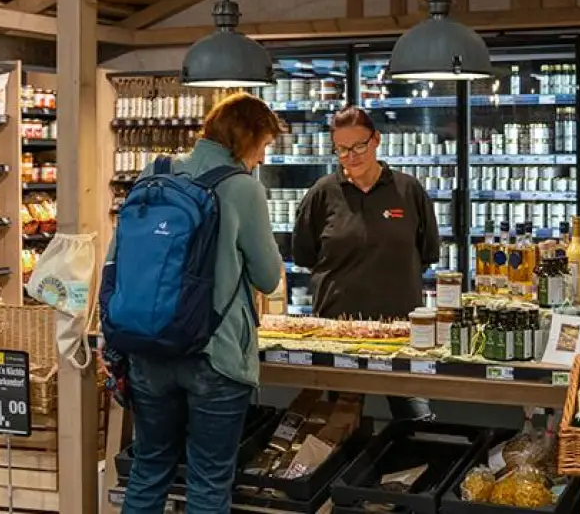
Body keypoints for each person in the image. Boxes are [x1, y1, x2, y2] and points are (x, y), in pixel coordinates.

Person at [112, 93, 284, 514]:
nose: (261, 158)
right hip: (214, 354)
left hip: (147, 347)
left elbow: (117, 260)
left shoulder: (155, 173)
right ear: (245, 139)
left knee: (149, 469)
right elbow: (267, 275)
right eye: (262, 146)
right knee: (208, 481)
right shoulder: (243, 188)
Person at [292, 106, 440, 421]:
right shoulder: (323, 193)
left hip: (400, 332)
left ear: (376, 141)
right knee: (339, 423)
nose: (352, 155)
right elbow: (304, 255)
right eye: (342, 150)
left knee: (414, 418)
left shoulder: (407, 190)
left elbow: (427, 252)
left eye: (359, 146)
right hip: (338, 331)